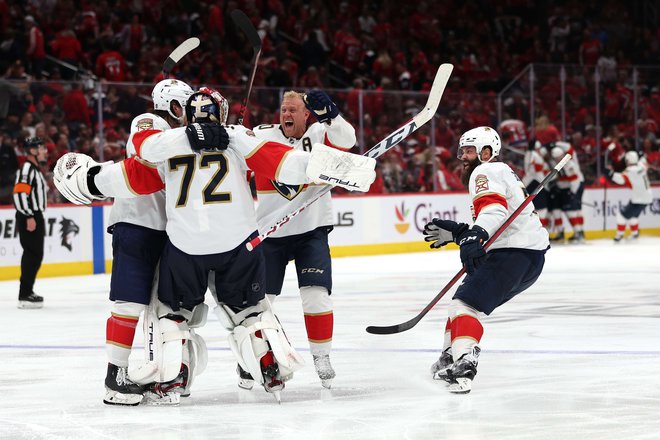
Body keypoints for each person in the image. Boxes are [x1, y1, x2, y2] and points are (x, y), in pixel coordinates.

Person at [53, 88, 376, 402]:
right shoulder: (237, 137)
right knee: (250, 310)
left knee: (173, 313)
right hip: (236, 245)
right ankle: (268, 365)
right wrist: (340, 168)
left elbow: (135, 171)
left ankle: (174, 374)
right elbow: (283, 162)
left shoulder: (168, 146)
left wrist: (91, 180)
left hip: (185, 246)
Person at [422, 126, 549, 394]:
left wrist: (474, 236)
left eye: (470, 151)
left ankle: (465, 360)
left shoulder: (485, 170)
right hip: (526, 256)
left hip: (513, 253)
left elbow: (494, 210)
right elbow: (499, 215)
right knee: (463, 302)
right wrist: (462, 233)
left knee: (464, 304)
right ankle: (449, 355)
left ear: (487, 152)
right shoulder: (500, 171)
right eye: (463, 151)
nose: (464, 157)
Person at [249, 90, 357, 389]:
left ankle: (321, 356)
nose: (287, 114)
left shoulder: (321, 133)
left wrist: (332, 114)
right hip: (271, 233)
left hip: (311, 230)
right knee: (260, 304)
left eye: (293, 109)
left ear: (306, 114)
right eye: (284, 108)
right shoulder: (263, 135)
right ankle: (255, 358)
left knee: (316, 295)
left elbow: (348, 140)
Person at [95, 78, 193, 406]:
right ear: (174, 106)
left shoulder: (183, 135)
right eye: (186, 105)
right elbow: (144, 146)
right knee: (129, 304)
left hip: (167, 231)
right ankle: (115, 378)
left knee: (164, 306)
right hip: (137, 224)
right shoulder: (150, 121)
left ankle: (167, 372)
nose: (190, 112)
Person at [13, 137, 49, 309]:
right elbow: (19, 195)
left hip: (33, 215)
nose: (45, 151)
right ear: (33, 150)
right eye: (42, 148)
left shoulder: (34, 169)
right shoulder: (27, 169)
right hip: (30, 215)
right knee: (32, 254)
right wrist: (28, 216)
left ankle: (27, 291)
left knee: (34, 254)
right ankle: (25, 294)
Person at [607, 151, 653, 242]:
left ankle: (619, 235)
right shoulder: (642, 165)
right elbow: (643, 159)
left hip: (638, 199)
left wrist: (610, 173)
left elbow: (620, 180)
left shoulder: (629, 171)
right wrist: (641, 155)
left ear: (628, 160)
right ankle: (635, 234)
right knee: (633, 216)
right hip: (647, 197)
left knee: (621, 216)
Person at [549, 141, 585, 243]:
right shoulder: (563, 163)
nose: (557, 159)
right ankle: (580, 232)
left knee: (573, 211)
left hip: (575, 187)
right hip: (573, 187)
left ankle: (578, 233)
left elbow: (573, 177)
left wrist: (572, 192)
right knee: (576, 210)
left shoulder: (568, 163)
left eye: (558, 157)